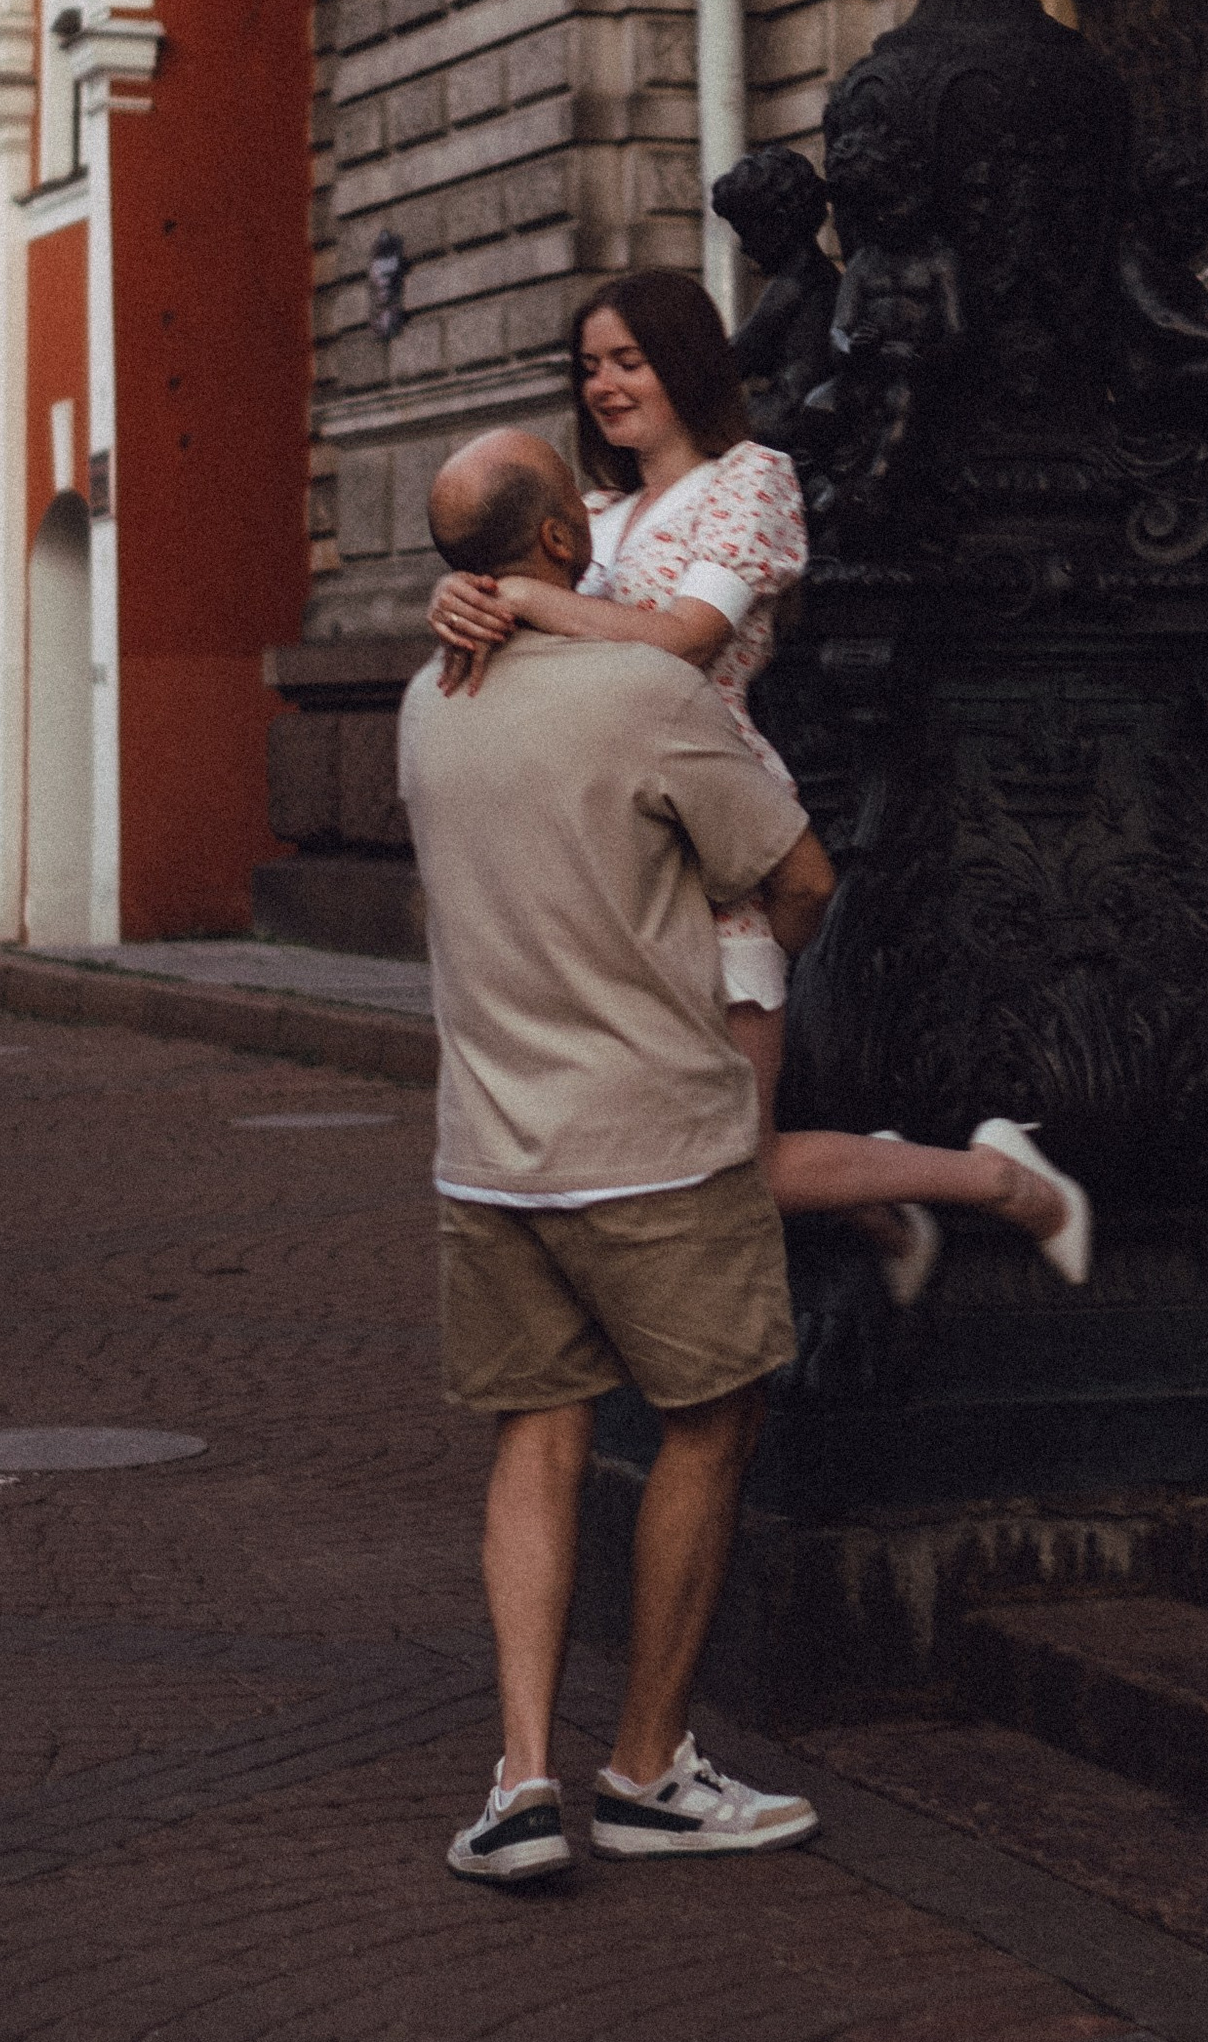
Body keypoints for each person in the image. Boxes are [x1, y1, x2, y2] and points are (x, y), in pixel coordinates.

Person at [428, 270, 1089, 1297]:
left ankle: (998, 1180)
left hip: (719, 833)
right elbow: (518, 585)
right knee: (697, 1148)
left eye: (628, 361)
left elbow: (684, 639)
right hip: (615, 856)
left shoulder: (750, 483)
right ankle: (884, 1205)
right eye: (590, 365)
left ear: (684, 364)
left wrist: (522, 597)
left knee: (734, 1158)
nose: (604, 385)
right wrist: (459, 593)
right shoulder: (592, 512)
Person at [400, 426, 836, 1887]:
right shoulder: (649, 697)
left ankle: (522, 1778)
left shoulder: (424, 700)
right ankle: (647, 1767)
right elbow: (798, 873)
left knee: (538, 1436)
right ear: (562, 545)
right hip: (652, 1134)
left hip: (490, 1153)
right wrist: (753, 955)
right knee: (712, 1421)